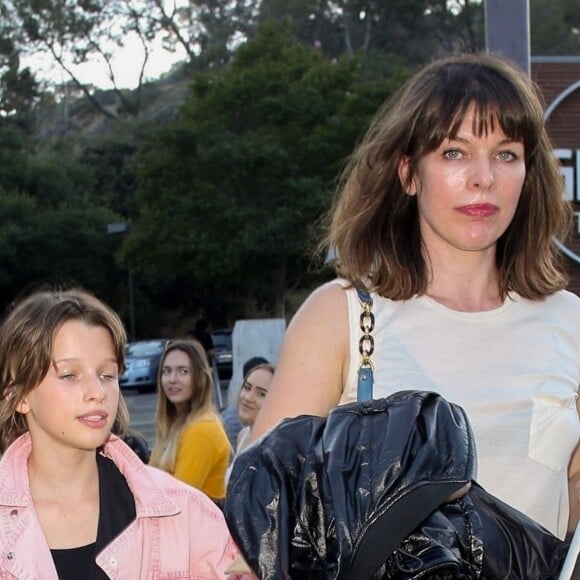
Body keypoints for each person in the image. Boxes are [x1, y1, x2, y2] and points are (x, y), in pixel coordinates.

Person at [249, 53, 580, 541]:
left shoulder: (569, 322)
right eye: (454, 153)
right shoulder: (342, 315)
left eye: (506, 154)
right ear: (408, 173)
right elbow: (260, 503)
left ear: (529, 173)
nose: (483, 177)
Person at [0, 288, 246, 578]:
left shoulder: (186, 514)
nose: (97, 392)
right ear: (19, 396)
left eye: (107, 375)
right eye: (69, 375)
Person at [149, 339, 230, 502]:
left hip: (191, 523)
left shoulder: (202, 429)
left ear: (200, 378)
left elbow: (176, 501)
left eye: (183, 371)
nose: (172, 379)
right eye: (166, 371)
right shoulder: (174, 425)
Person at [222, 356, 270, 447]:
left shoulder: (275, 447)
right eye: (247, 388)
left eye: (261, 394)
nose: (248, 397)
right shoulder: (243, 435)